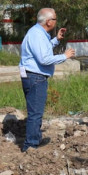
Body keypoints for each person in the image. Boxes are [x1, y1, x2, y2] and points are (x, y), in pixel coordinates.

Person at [19, 8, 76, 152]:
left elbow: (43, 50)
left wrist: (56, 39)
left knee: (35, 111)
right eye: (55, 19)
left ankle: (35, 139)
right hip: (35, 77)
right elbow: (44, 59)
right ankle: (30, 145)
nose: (56, 22)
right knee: (35, 113)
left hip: (33, 76)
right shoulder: (37, 35)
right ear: (49, 22)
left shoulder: (39, 33)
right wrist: (64, 56)